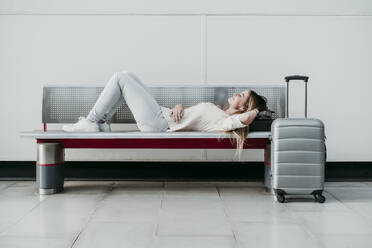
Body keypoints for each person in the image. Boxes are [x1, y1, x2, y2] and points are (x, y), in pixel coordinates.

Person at [63, 71, 270, 154]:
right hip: (163, 115)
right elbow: (189, 116)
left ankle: (91, 121)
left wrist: (256, 111)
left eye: (241, 95)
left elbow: (244, 120)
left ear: (244, 107)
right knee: (127, 75)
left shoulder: (226, 121)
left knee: (120, 78)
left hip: (158, 123)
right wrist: (180, 106)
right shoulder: (217, 111)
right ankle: (98, 123)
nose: (236, 93)